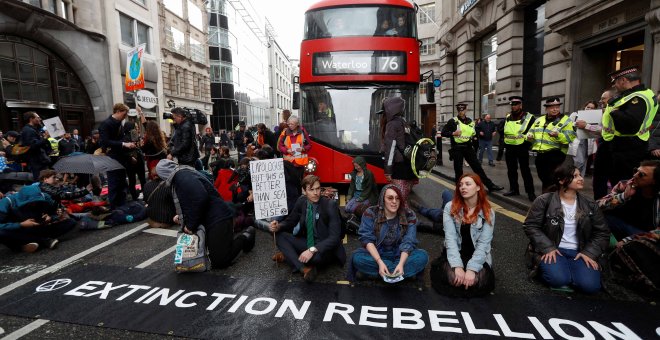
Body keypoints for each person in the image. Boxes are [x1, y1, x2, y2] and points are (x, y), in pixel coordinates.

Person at [523, 162, 609, 294]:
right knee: (558, 280)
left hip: (580, 251)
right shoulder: (544, 200)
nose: (581, 178)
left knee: (590, 287)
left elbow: (602, 232)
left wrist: (589, 253)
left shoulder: (590, 204)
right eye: (575, 176)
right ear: (562, 180)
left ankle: (571, 272)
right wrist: (547, 248)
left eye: (580, 175)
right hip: (554, 249)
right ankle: (556, 270)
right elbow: (531, 225)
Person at [156, 159, 255, 269]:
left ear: (164, 173)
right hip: (214, 216)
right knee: (216, 257)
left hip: (218, 218)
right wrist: (182, 216)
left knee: (220, 261)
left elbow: (200, 198)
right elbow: (191, 200)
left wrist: (190, 224)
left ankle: (246, 236)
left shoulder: (181, 176)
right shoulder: (183, 174)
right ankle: (228, 243)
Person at [269, 175, 345, 282]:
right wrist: (278, 226)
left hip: (325, 247)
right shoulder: (301, 201)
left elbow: (334, 238)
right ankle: (303, 268)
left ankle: (289, 256)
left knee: (316, 259)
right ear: (304, 191)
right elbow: (290, 221)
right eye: (311, 189)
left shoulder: (329, 205)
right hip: (309, 242)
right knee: (278, 234)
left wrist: (312, 250)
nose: (315, 193)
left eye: (318, 189)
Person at [431, 173, 496, 297]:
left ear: (478, 187)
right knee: (453, 279)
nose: (463, 187)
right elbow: (450, 239)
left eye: (467, 184)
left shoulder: (488, 212)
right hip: (456, 252)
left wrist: (472, 269)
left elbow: (483, 244)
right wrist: (457, 266)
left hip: (476, 255)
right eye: (460, 185)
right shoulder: (450, 207)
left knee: (478, 282)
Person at [348, 184, 428, 282]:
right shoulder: (370, 213)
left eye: (397, 198)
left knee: (423, 256)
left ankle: (385, 273)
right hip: (378, 254)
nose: (394, 202)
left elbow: (409, 241)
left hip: (400, 254)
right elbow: (367, 239)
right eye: (390, 198)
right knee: (357, 259)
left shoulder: (409, 215)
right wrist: (380, 262)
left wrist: (401, 264)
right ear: (382, 199)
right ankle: (398, 274)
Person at [603, 66, 659, 185]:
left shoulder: (638, 97)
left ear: (623, 80)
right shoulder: (644, 93)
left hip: (627, 148)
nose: (614, 85)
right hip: (631, 145)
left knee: (623, 184)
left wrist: (615, 112)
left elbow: (631, 124)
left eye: (615, 82)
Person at [441, 102, 504, 193]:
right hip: (457, 148)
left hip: (468, 147)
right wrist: (453, 133)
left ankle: (490, 186)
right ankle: (459, 189)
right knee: (458, 170)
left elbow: (474, 133)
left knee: (477, 167)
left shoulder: (471, 121)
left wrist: (476, 140)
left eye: (463, 110)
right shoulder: (453, 121)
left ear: (466, 110)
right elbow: (443, 132)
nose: (461, 112)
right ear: (457, 110)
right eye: (459, 110)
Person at [0, 184, 76, 253]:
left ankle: (28, 244)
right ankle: (44, 241)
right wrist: (21, 224)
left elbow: (54, 213)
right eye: (31, 202)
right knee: (2, 233)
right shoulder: (7, 202)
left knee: (70, 222)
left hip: (38, 228)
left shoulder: (44, 197)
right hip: (18, 232)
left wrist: (50, 218)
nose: (34, 204)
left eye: (36, 201)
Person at [598, 160, 660, 240]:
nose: (635, 175)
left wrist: (627, 240)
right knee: (590, 215)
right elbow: (598, 205)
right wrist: (623, 196)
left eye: (641, 175)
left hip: (643, 234)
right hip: (617, 225)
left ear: (654, 181)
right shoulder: (625, 185)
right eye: (635, 171)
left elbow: (658, 233)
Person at [527, 97, 576, 193]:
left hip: (556, 154)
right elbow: (530, 132)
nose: (555, 109)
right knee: (544, 178)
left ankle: (550, 199)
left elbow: (570, 138)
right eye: (552, 107)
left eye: (557, 107)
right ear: (546, 108)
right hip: (541, 154)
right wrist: (529, 136)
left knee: (552, 179)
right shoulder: (539, 120)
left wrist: (558, 135)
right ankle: (547, 199)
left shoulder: (566, 120)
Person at [379, 97, 419, 202]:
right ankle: (407, 216)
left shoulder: (392, 124)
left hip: (399, 168)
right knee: (403, 200)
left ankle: (404, 218)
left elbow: (390, 149)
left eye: (384, 112)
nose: (383, 115)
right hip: (409, 166)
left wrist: (388, 171)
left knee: (398, 202)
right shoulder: (404, 122)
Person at [99, 103, 136, 209]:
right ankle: (114, 207)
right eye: (124, 114)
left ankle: (122, 205)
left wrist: (129, 154)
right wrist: (124, 144)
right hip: (111, 157)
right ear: (118, 111)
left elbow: (121, 140)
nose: (125, 117)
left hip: (121, 157)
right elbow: (105, 142)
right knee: (114, 183)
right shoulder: (106, 124)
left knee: (122, 182)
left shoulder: (119, 123)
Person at [502, 96, 537, 201]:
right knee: (511, 170)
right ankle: (514, 189)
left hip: (522, 147)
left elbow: (533, 131)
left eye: (516, 104)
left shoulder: (529, 117)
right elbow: (504, 129)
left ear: (521, 105)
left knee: (525, 170)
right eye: (512, 105)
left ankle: (530, 192)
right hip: (509, 147)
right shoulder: (508, 117)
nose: (514, 106)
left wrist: (527, 143)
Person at [591, 89, 616, 199]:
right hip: (603, 144)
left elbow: (605, 130)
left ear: (611, 99)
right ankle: (599, 203)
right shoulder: (603, 111)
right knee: (599, 178)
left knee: (610, 177)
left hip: (612, 145)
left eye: (603, 98)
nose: (600, 101)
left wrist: (586, 126)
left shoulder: (615, 111)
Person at [571, 101, 599, 177]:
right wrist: (576, 124)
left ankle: (579, 181)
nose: (589, 109)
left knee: (584, 163)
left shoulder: (596, 118)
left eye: (592, 108)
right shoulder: (575, 115)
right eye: (588, 107)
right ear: (585, 107)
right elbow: (568, 126)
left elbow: (598, 130)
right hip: (577, 141)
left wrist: (587, 126)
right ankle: (572, 179)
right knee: (578, 162)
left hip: (588, 142)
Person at [278, 116, 311, 181]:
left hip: (299, 164)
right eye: (289, 124)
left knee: (299, 182)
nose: (290, 125)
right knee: (289, 181)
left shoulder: (302, 132)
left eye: (292, 124)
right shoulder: (285, 132)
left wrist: (303, 149)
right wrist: (287, 150)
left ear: (297, 124)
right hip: (288, 163)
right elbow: (280, 146)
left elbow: (309, 145)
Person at [20, 111, 51, 180]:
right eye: (38, 117)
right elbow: (32, 146)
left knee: (46, 180)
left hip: (41, 161)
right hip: (37, 162)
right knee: (41, 181)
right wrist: (45, 138)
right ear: (31, 119)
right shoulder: (28, 130)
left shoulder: (35, 129)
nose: (40, 119)